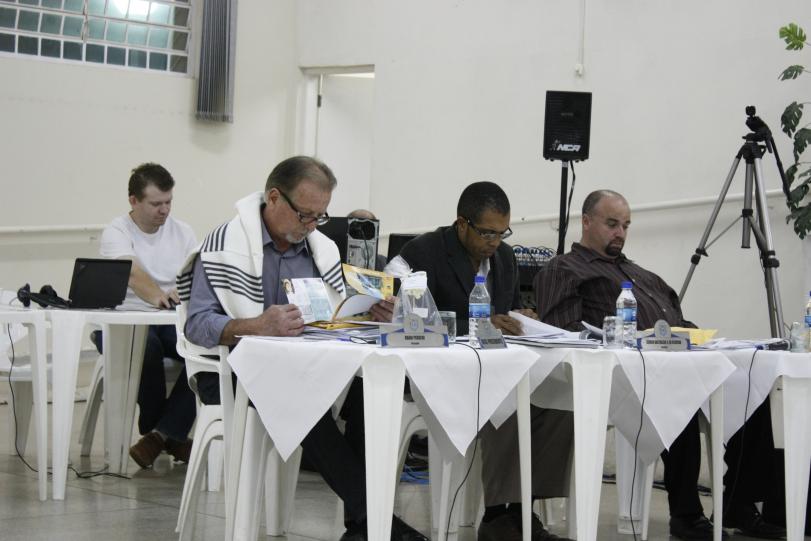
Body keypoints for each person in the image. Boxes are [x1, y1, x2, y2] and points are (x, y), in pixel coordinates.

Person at [179, 156, 427, 541]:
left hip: (304, 367)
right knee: (300, 397)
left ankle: (362, 527)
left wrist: (371, 311)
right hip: (232, 372)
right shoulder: (224, 246)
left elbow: (332, 313)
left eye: (319, 216)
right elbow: (196, 324)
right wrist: (255, 326)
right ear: (274, 198)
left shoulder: (320, 250)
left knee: (367, 390)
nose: (311, 225)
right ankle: (382, 525)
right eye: (305, 215)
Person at [534, 189, 786, 540]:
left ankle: (739, 503)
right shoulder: (563, 269)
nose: (620, 233)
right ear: (586, 222)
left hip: (669, 360)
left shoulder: (640, 273)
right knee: (678, 388)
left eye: (625, 226)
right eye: (612, 224)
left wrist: (695, 337)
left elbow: (677, 321)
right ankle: (686, 513)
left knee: (749, 382)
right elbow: (564, 332)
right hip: (617, 373)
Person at [394, 181, 574, 541]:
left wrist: (519, 318)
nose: (495, 241)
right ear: (462, 224)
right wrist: (479, 324)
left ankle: (522, 512)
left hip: (494, 366)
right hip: (441, 373)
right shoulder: (423, 252)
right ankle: (496, 517)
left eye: (502, 232)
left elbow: (505, 313)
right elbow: (411, 320)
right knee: (508, 399)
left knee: (559, 400)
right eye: (487, 233)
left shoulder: (504, 257)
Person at [99, 162, 198, 468]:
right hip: (124, 321)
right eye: (156, 204)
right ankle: (169, 434)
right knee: (146, 347)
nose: (164, 210)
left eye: (168, 202)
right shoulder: (117, 231)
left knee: (205, 354)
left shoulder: (183, 231)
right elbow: (131, 272)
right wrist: (158, 296)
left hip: (170, 320)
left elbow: (196, 273)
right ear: (134, 201)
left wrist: (182, 292)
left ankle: (159, 434)